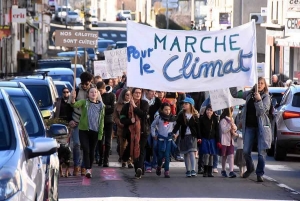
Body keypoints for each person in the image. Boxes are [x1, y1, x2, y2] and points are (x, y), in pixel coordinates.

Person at [230, 77, 271, 182]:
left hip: (261, 129)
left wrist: (259, 100)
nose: (260, 84)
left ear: (265, 85)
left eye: (262, 83)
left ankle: (259, 173)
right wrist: (233, 81)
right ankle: (250, 167)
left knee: (261, 152)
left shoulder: (266, 97)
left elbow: (261, 112)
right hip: (249, 126)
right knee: (246, 151)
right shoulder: (249, 94)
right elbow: (235, 94)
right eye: (258, 83)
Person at [70, 87, 105, 178]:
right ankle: (87, 169)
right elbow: (74, 105)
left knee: (92, 151)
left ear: (97, 94)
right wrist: (73, 98)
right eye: (91, 92)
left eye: (95, 92)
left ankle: (89, 169)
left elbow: (102, 121)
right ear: (88, 94)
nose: (93, 94)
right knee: (86, 149)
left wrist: (100, 133)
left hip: (95, 131)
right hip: (84, 130)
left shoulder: (101, 105)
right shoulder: (84, 102)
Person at [68, 72, 96, 176]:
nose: (84, 86)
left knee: (86, 146)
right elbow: (69, 107)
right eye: (83, 84)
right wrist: (70, 120)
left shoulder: (95, 91)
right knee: (76, 144)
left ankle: (84, 166)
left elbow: (101, 107)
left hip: (90, 123)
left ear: (90, 82)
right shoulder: (76, 91)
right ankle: (77, 165)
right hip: (77, 121)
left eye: (86, 84)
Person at [120, 88, 149, 179]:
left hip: (142, 131)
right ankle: (137, 168)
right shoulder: (126, 106)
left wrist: (135, 107)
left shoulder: (144, 103)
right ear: (132, 94)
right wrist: (129, 120)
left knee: (140, 149)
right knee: (132, 148)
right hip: (130, 132)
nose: (138, 94)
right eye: (136, 93)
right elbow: (122, 119)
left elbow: (144, 115)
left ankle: (139, 169)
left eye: (140, 93)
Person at [172, 97, 201, 177]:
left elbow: (198, 127)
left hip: (192, 136)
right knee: (186, 153)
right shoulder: (182, 115)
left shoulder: (195, 115)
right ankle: (188, 170)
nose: (184, 105)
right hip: (184, 136)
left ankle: (193, 169)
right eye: (183, 104)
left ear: (191, 105)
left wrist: (199, 137)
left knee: (192, 152)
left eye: (186, 104)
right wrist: (173, 132)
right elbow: (178, 125)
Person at [151, 102, 177, 178]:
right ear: (162, 110)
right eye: (165, 109)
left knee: (167, 156)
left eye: (169, 109)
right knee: (160, 156)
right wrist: (154, 135)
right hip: (161, 140)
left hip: (169, 140)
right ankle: (159, 166)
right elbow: (153, 126)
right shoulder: (158, 118)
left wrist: (176, 134)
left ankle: (166, 171)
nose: (168, 111)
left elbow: (177, 127)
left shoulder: (173, 118)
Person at [113, 88, 134, 168]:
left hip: (131, 128)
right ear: (123, 95)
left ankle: (129, 161)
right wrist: (119, 122)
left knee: (130, 145)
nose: (128, 96)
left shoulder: (133, 104)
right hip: (121, 128)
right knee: (123, 145)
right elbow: (115, 116)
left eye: (129, 95)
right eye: (127, 95)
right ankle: (123, 160)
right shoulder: (118, 105)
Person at [96, 81, 116, 167]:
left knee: (107, 141)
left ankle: (106, 159)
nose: (99, 92)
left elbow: (112, 109)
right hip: (99, 120)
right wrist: (106, 107)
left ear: (104, 89)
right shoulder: (96, 95)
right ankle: (101, 158)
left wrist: (103, 108)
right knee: (100, 140)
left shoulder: (111, 95)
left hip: (108, 120)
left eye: (100, 90)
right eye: (98, 90)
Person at [199, 104, 220, 177]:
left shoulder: (215, 119)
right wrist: (199, 138)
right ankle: (205, 171)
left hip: (212, 139)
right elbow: (200, 130)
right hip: (204, 139)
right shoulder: (202, 119)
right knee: (206, 154)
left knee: (211, 155)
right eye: (208, 110)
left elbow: (217, 130)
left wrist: (218, 141)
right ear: (205, 110)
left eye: (211, 110)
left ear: (213, 112)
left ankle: (210, 172)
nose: (209, 112)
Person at [143, 89, 161, 172]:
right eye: (152, 91)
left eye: (155, 92)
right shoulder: (142, 101)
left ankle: (155, 163)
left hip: (155, 128)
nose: (154, 93)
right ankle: (147, 164)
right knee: (147, 146)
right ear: (147, 91)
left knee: (155, 146)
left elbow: (161, 109)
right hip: (146, 127)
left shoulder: (156, 101)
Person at [219, 107, 237, 178]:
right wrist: (229, 125)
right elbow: (223, 130)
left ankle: (231, 170)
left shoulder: (231, 119)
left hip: (230, 140)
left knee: (231, 155)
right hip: (224, 141)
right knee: (224, 156)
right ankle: (223, 169)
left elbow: (235, 127)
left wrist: (234, 127)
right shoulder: (223, 120)